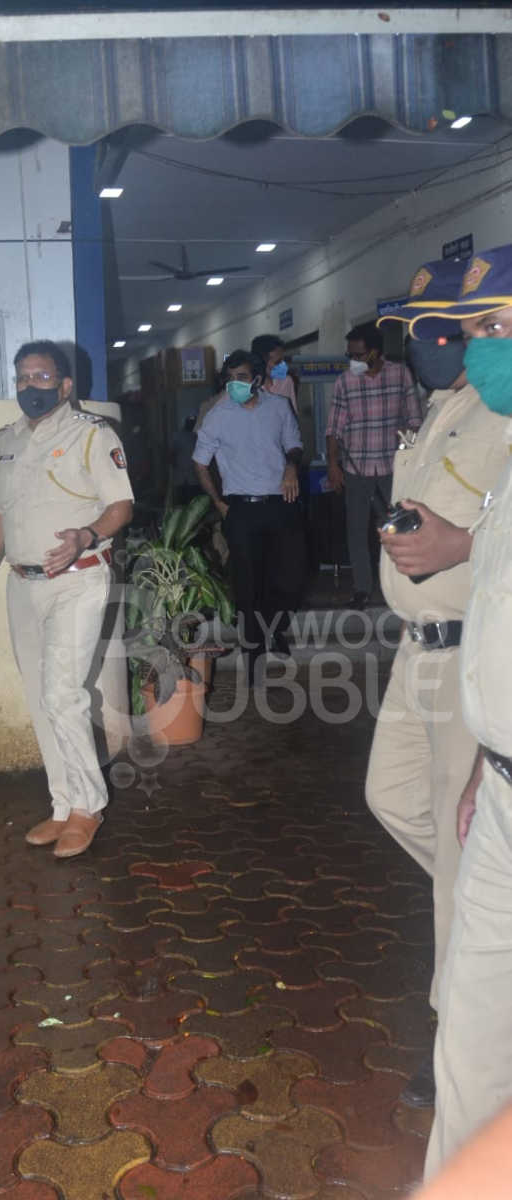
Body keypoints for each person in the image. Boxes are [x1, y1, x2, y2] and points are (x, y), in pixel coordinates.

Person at [365, 257, 510, 1109]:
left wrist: (460, 544)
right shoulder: (439, 410)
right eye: (415, 327)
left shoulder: (500, 408)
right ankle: (486, 899)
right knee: (391, 798)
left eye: (448, 326)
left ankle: (456, 1024)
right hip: (414, 653)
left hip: (467, 656)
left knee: (459, 860)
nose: (428, 342)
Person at [0, 340, 133, 858]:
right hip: (22, 584)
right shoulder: (7, 440)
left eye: (41, 377)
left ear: (64, 385)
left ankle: (89, 807)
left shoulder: (92, 434)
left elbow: (121, 505)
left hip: (77, 580)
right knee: (42, 699)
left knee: (63, 694)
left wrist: (86, 535)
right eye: (22, 378)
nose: (30, 387)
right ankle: (63, 805)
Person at [192, 349, 303, 678]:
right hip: (240, 509)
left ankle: (275, 628)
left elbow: (294, 444)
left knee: (289, 577)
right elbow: (200, 463)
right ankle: (253, 652)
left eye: (240, 378)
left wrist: (291, 466)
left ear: (257, 379)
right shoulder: (218, 414)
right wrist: (219, 502)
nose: (234, 385)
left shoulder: (279, 407)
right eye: (229, 379)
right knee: (248, 583)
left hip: (281, 503)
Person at [326, 321, 422, 610]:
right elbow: (333, 429)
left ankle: (401, 587)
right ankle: (362, 589)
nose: (353, 361)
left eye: (358, 355)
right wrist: (333, 465)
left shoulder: (400, 375)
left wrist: (411, 458)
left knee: (398, 530)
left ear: (376, 352)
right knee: (356, 531)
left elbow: (414, 421)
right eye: (350, 355)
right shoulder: (345, 382)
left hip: (394, 469)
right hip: (357, 468)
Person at [251, 334, 297, 414]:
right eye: (277, 362)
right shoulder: (250, 388)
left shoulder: (286, 381)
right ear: (262, 363)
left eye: (283, 360)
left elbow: (293, 414)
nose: (283, 365)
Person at [169, 414, 201, 506]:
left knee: (194, 503)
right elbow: (171, 454)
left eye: (193, 422)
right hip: (180, 476)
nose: (191, 423)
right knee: (181, 503)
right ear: (186, 422)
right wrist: (174, 466)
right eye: (189, 421)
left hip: (194, 476)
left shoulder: (197, 436)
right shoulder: (177, 436)